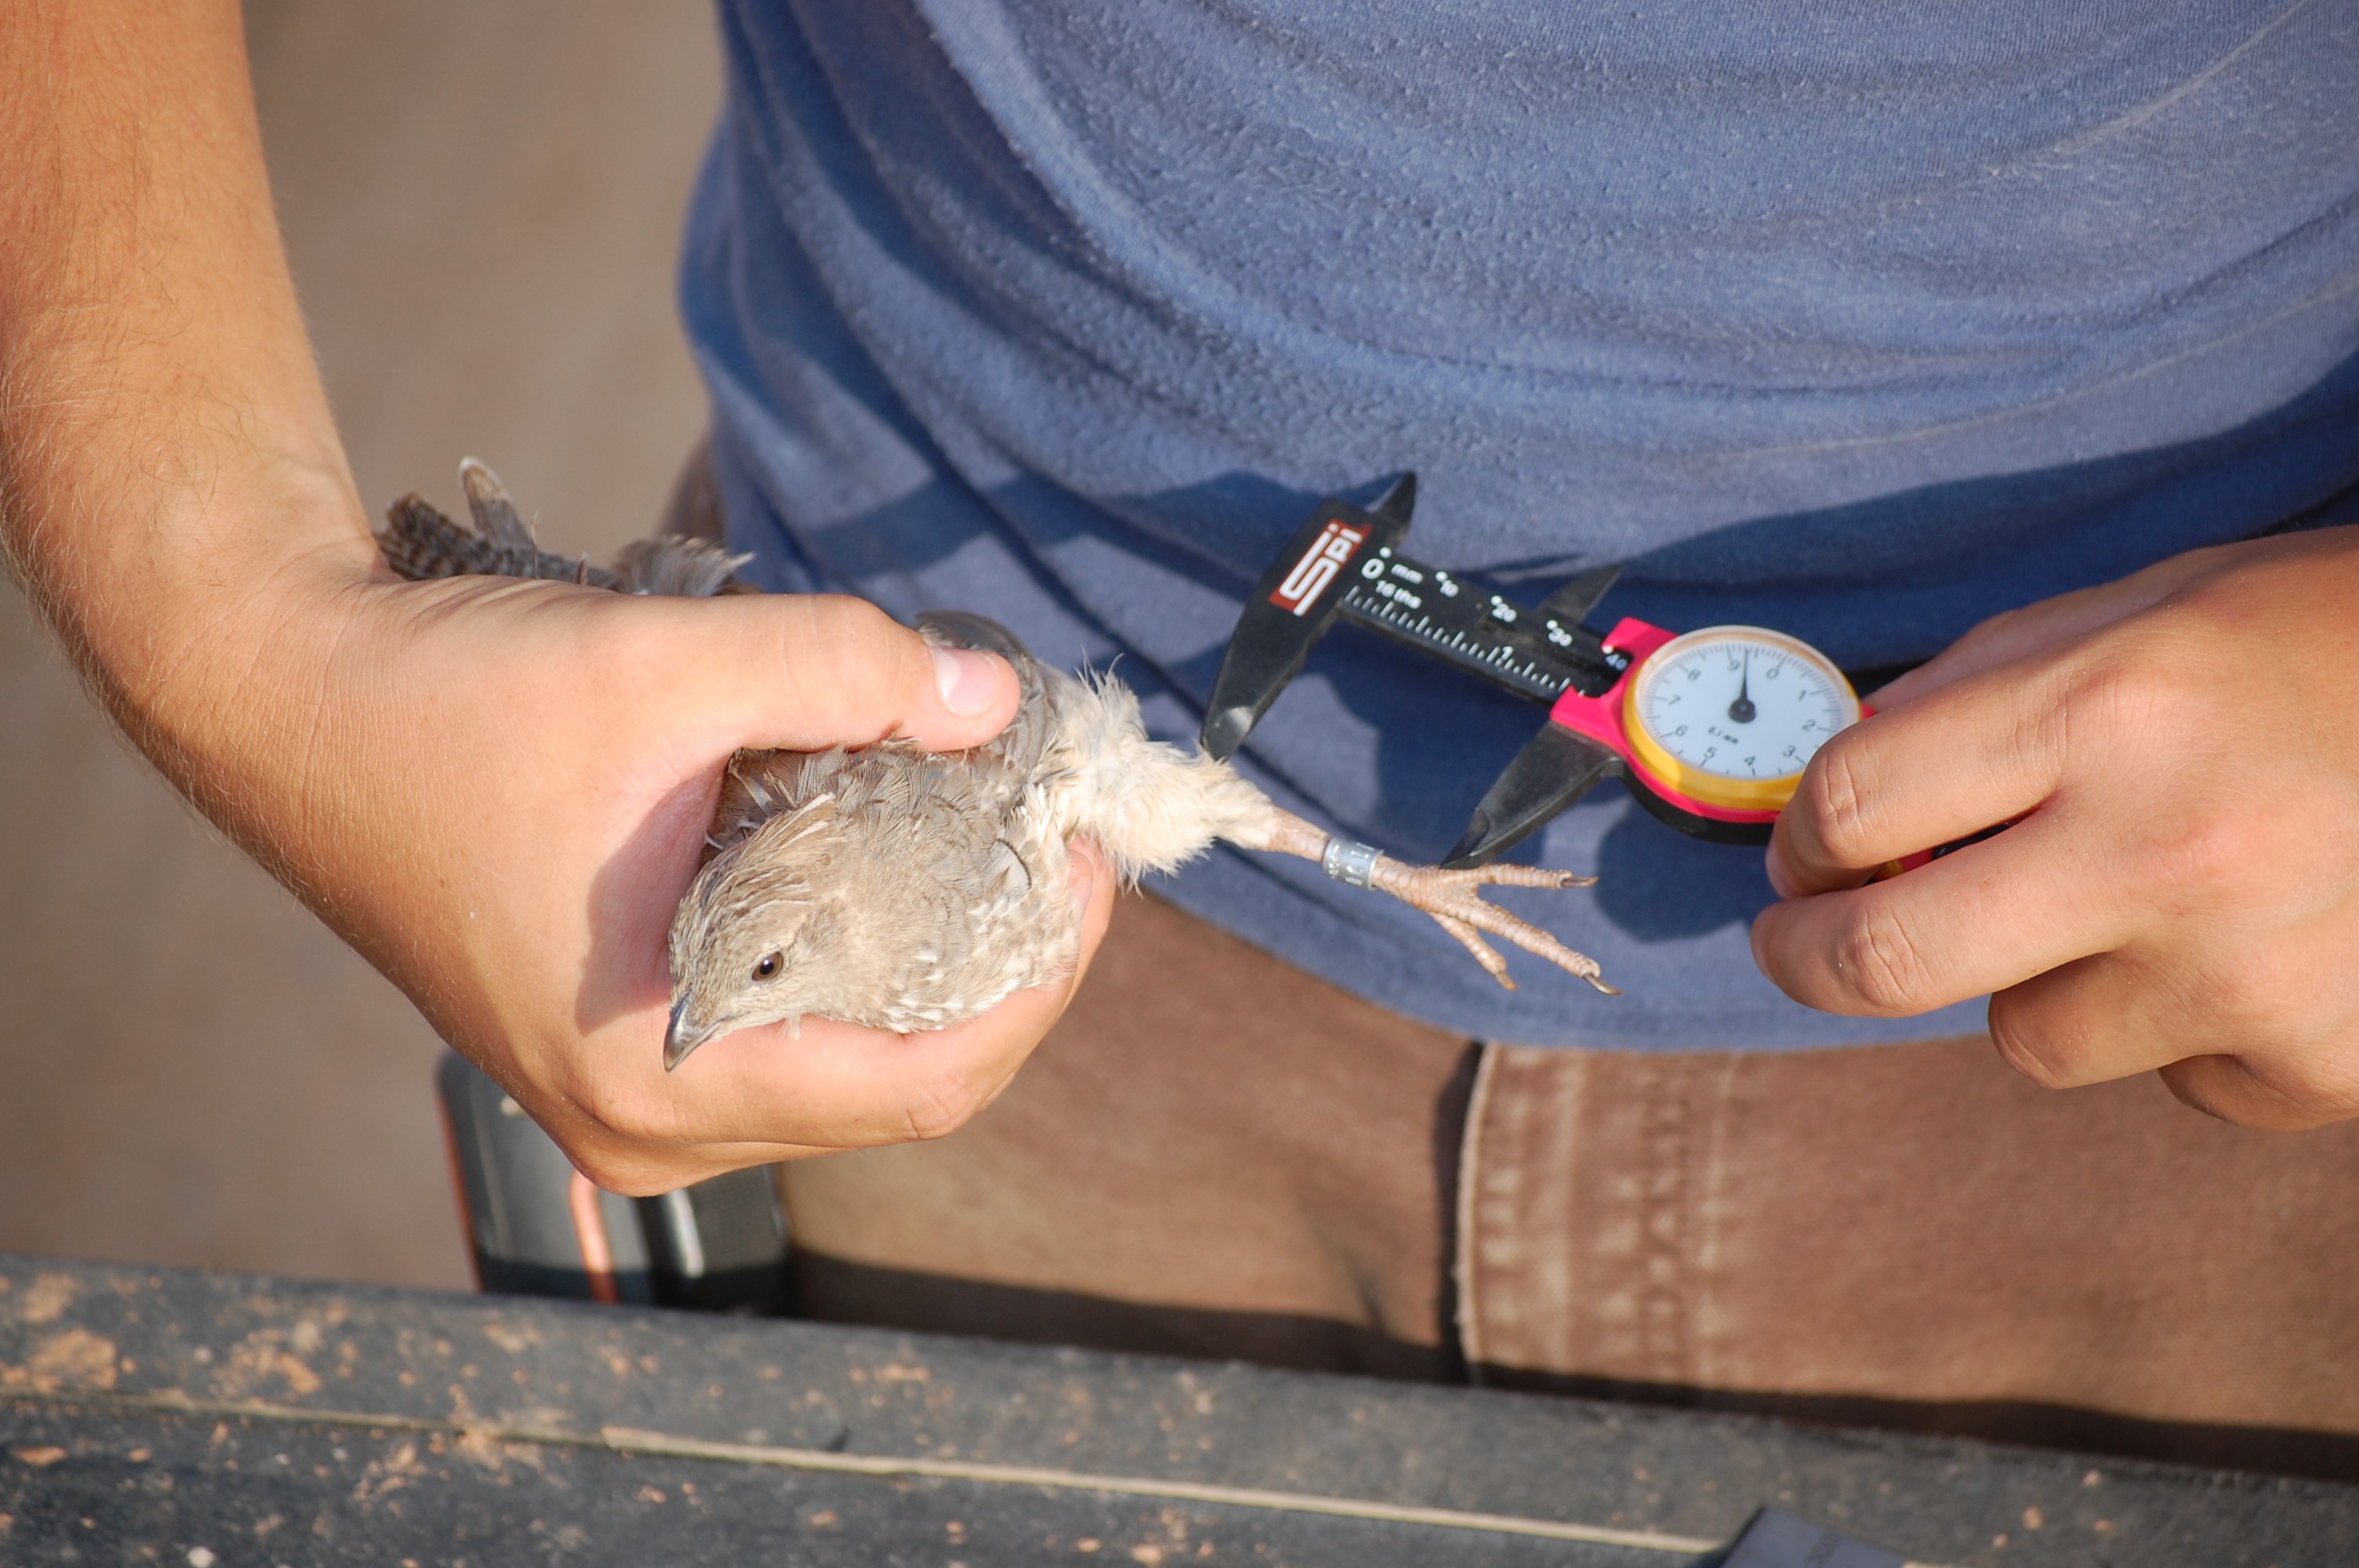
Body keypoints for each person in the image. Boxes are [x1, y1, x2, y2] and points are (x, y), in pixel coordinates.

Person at [8, 1, 2358, 1463]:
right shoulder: (790, 961)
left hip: (2183, 959)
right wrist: (241, 621)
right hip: (1011, 893)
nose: (699, 1015)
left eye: (740, 973)